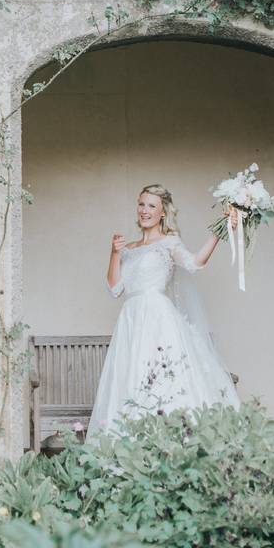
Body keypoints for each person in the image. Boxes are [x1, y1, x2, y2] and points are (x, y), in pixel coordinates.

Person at [87, 184, 239, 441]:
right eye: (141, 204)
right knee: (129, 380)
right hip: (130, 319)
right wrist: (114, 253)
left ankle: (172, 445)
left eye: (151, 206)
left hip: (157, 318)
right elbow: (115, 289)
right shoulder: (128, 248)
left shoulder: (169, 243)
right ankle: (130, 448)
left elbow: (194, 263)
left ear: (162, 213)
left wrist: (220, 231)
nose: (144, 210)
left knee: (164, 379)